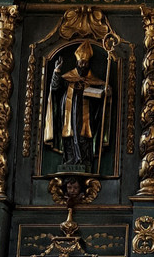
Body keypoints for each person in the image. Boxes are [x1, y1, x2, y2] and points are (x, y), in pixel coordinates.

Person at [43, 42, 110, 170]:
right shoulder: (68, 78)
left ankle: (84, 161)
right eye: (81, 63)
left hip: (86, 116)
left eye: (85, 63)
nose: (83, 65)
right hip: (68, 115)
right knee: (69, 136)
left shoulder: (94, 81)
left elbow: (103, 97)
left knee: (84, 138)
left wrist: (106, 91)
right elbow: (54, 88)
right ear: (77, 63)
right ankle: (70, 160)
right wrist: (57, 71)